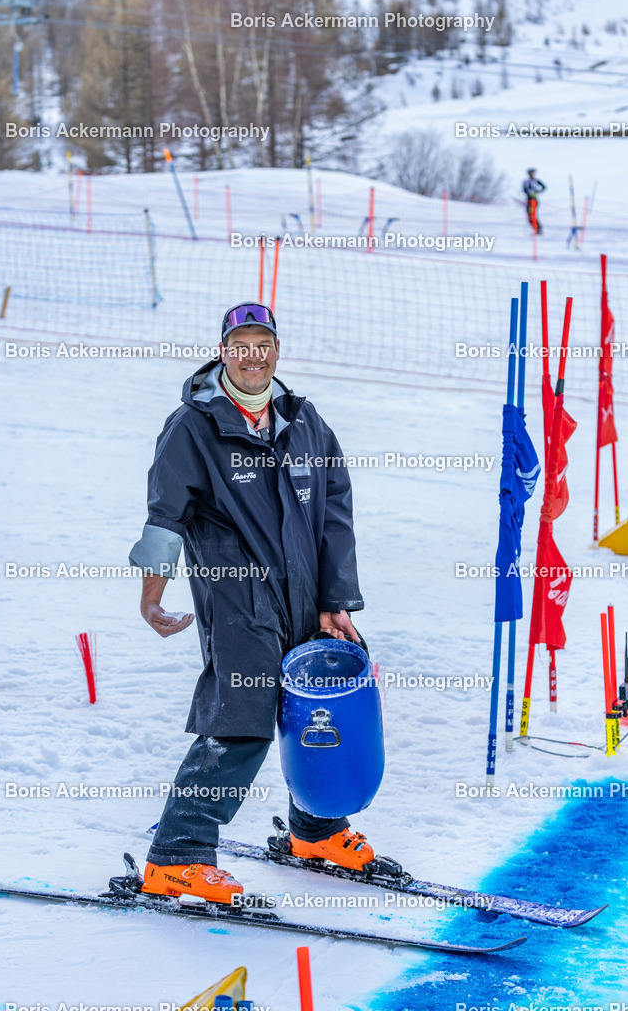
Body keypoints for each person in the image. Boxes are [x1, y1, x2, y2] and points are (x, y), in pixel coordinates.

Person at [129, 302, 375, 904]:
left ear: (276, 350)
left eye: (262, 343)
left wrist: (334, 599)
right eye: (240, 345)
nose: (251, 355)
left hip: (306, 597)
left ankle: (314, 831)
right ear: (223, 352)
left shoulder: (304, 422)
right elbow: (165, 516)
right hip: (236, 596)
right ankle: (178, 856)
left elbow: (334, 514)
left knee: (317, 709)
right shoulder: (194, 426)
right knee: (240, 718)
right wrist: (152, 598)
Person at [522, 167, 546, 234]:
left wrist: (537, 191)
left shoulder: (536, 181)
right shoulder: (526, 182)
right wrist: (529, 192)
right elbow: (524, 190)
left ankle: (538, 229)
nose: (531, 174)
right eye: (530, 173)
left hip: (534, 201)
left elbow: (544, 187)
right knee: (530, 216)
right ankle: (535, 228)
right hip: (528, 201)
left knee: (533, 215)